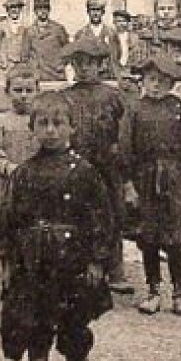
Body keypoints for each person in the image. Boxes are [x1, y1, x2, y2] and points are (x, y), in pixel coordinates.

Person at [0, 91, 114, 361]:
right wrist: (7, 264)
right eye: (43, 124)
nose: (51, 131)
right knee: (35, 328)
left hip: (73, 266)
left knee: (75, 329)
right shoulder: (24, 174)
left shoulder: (85, 173)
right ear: (32, 128)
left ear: (72, 128)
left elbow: (101, 221)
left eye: (58, 123)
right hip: (34, 266)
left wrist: (97, 262)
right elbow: (8, 222)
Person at [123, 51, 181, 317]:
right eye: (150, 79)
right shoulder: (134, 109)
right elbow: (126, 149)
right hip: (145, 178)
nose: (155, 85)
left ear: (171, 83)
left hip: (175, 178)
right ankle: (153, 290)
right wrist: (129, 184)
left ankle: (179, 292)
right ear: (142, 81)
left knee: (176, 236)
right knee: (149, 237)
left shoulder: (179, 108)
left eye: (162, 80)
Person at [60, 36, 130, 292]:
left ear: (101, 65)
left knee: (111, 215)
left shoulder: (114, 96)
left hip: (107, 166)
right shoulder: (66, 97)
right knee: (76, 215)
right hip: (76, 165)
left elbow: (124, 131)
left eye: (91, 63)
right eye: (79, 64)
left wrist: (120, 158)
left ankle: (115, 270)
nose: (85, 69)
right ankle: (79, 269)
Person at [0, 64, 41, 247]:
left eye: (29, 90)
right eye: (18, 90)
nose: (23, 95)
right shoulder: (1, 122)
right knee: (7, 224)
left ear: (37, 91)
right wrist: (7, 167)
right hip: (8, 183)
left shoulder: (42, 121)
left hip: (37, 181)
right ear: (7, 91)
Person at [17, 0, 71, 83]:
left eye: (45, 8)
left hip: (55, 75)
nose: (42, 11)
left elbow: (68, 51)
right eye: (39, 8)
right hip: (37, 76)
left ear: (49, 10)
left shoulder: (58, 29)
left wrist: (59, 65)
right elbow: (24, 56)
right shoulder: (29, 31)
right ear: (35, 11)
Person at [74, 0, 122, 79]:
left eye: (98, 10)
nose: (95, 13)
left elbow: (117, 55)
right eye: (92, 10)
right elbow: (76, 60)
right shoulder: (81, 34)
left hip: (107, 76)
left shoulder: (111, 33)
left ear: (103, 12)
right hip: (88, 79)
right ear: (88, 12)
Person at [0, 0, 29, 78]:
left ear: (20, 10)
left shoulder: (26, 26)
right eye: (11, 8)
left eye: (17, 8)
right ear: (7, 10)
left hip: (21, 66)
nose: (14, 10)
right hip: (6, 66)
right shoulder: (1, 26)